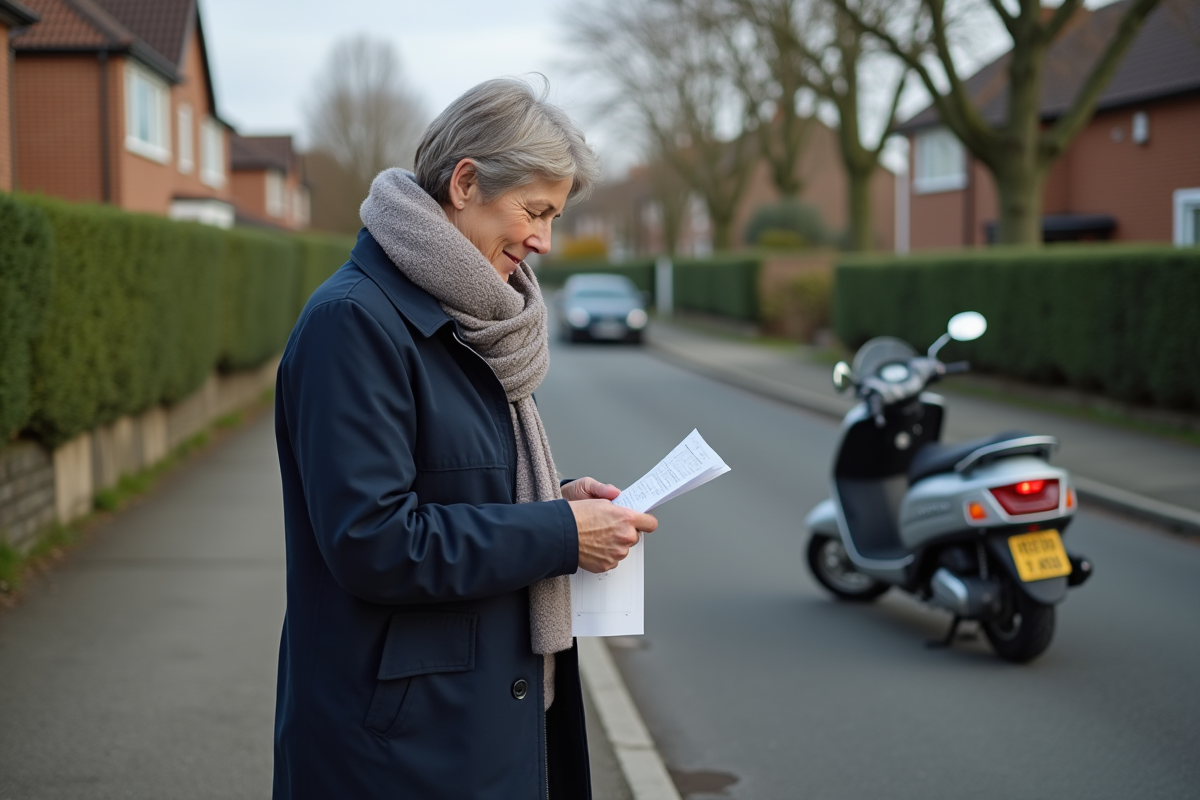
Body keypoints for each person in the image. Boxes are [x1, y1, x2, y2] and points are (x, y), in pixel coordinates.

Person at [272, 77, 658, 800]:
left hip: (475, 725)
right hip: (397, 752)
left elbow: (458, 484)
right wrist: (557, 532)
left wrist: (558, 498)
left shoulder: (473, 316)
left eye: (554, 215)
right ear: (466, 182)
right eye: (534, 211)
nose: (544, 240)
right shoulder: (353, 324)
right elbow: (375, 541)